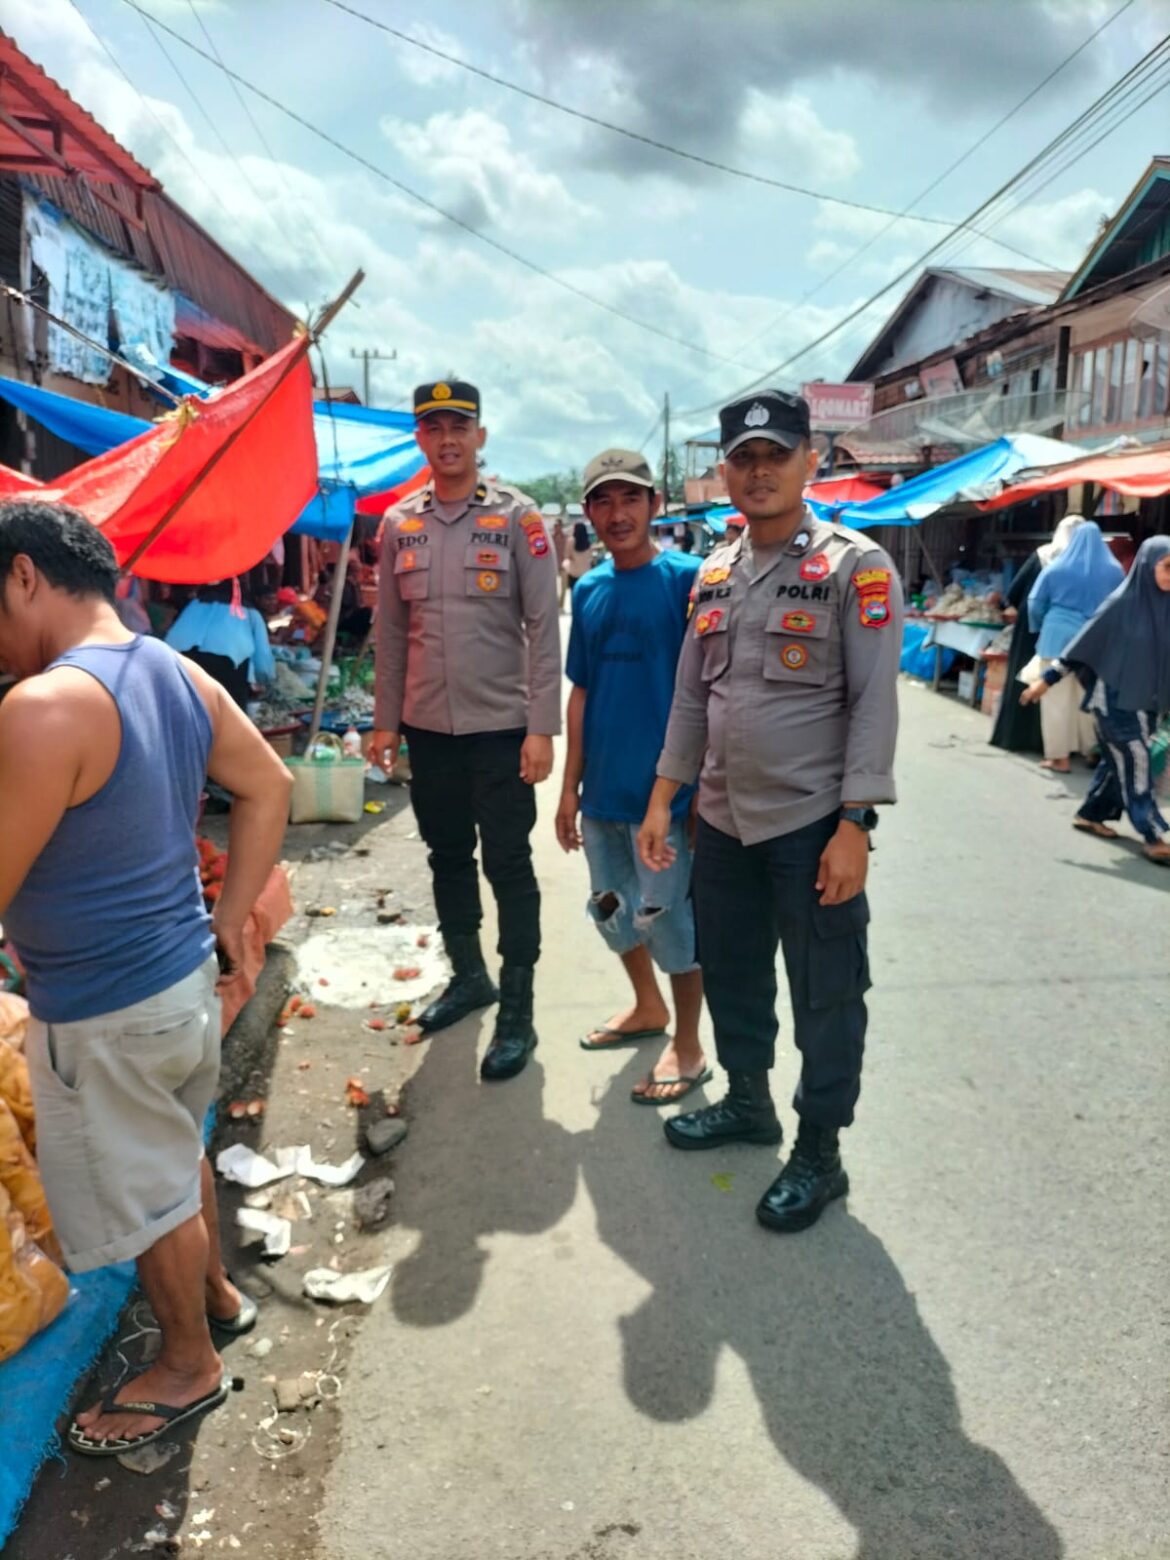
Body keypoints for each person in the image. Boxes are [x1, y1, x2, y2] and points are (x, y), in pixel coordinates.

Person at [0, 499, 293, 1455]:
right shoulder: (169, 669)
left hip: (103, 1007)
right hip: (175, 985)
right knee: (174, 1156)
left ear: (25, 576)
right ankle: (213, 1296)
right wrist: (226, 921)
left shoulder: (45, 705)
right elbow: (270, 787)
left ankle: (187, 1364)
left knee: (147, 1192)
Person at [637, 389, 903, 1234]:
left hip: (810, 827)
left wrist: (856, 823)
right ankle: (748, 1103)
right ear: (724, 472)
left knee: (827, 993)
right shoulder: (716, 572)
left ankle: (820, 1152)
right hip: (720, 823)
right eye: (743, 459)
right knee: (737, 975)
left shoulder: (857, 568)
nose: (759, 472)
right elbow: (689, 699)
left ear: (808, 462)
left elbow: (873, 704)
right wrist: (662, 798)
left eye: (775, 456)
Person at [367, 381, 561, 1082]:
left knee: (507, 863)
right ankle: (469, 974)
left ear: (480, 436)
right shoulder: (398, 525)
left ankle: (518, 1008)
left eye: (459, 426)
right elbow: (390, 630)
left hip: (502, 729)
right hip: (429, 729)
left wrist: (541, 727)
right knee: (446, 854)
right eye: (433, 427)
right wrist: (385, 721)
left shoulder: (518, 518)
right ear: (420, 439)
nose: (447, 439)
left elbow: (544, 625)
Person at [555, 448, 707, 1105]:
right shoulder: (588, 589)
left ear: (654, 505)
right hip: (605, 797)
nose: (618, 514)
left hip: (667, 799)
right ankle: (648, 1008)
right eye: (603, 501)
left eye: (630, 499)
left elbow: (708, 693)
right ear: (589, 513)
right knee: (612, 911)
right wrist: (567, 789)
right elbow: (582, 694)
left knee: (670, 918)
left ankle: (692, 1044)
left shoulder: (689, 581)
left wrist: (697, 791)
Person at [1022, 536, 1170, 865]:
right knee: (1137, 761)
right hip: (1114, 702)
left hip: (1147, 704)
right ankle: (1152, 834)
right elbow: (1081, 647)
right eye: (1167, 568)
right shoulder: (1121, 604)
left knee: (1120, 764)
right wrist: (1044, 683)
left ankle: (1091, 814)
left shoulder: (1165, 606)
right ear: (1147, 566)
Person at [1026, 520, 1121, 772]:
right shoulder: (1115, 570)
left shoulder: (1057, 568)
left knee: (1056, 699)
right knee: (1088, 699)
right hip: (1094, 641)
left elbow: (1035, 603)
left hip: (1056, 636)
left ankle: (1059, 758)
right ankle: (1092, 751)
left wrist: (1039, 625)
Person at [989, 515, 1085, 755]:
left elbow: (1014, 593)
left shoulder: (1043, 555)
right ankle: (1052, 745)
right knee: (1057, 685)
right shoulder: (1086, 563)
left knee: (1025, 677)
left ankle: (1014, 737)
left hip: (1031, 629)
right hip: (1067, 632)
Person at [166, 579, 275, 708]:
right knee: (230, 719)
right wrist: (266, 683)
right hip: (228, 667)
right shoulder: (251, 613)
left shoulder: (194, 605)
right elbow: (263, 663)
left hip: (184, 664)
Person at [563, 521, 594, 600]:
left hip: (574, 573)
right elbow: (590, 557)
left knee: (574, 597)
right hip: (586, 573)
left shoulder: (571, 540)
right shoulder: (588, 542)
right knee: (585, 598)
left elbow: (567, 555)